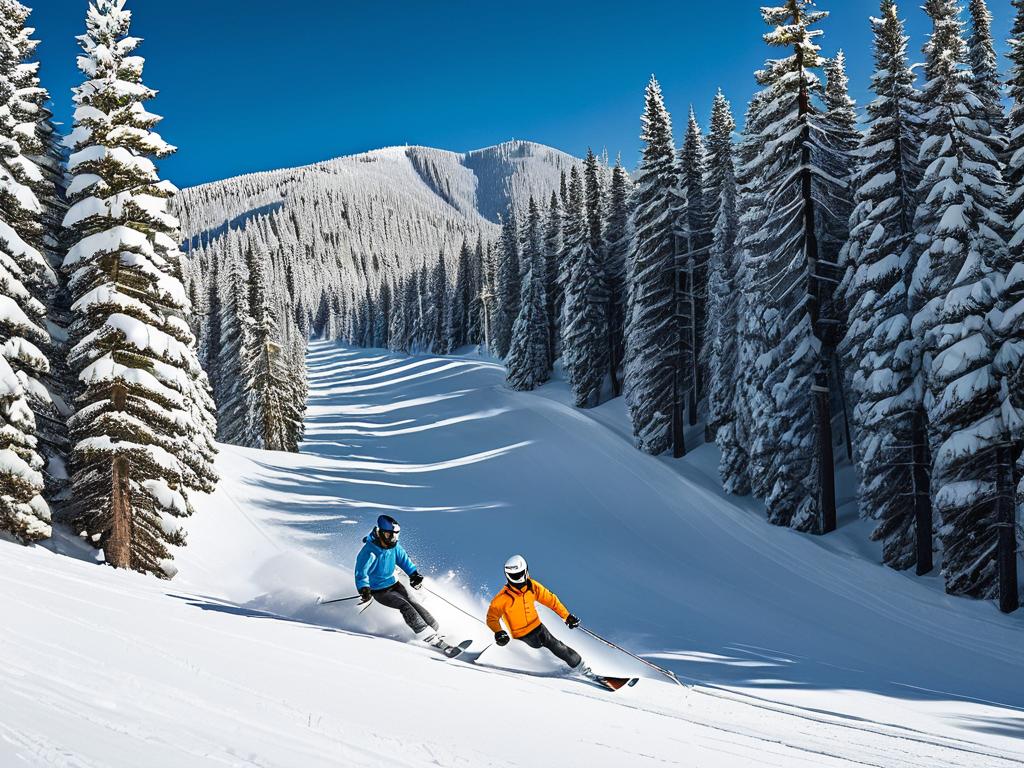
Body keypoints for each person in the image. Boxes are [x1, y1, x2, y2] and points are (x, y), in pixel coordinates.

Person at [354, 514, 452, 652]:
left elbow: (404, 560)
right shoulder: (369, 552)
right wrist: (364, 589)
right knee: (404, 605)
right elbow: (360, 573)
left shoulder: (394, 547)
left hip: (395, 584)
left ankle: (433, 628)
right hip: (379, 591)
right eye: (389, 535)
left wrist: (413, 574)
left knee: (413, 601)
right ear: (380, 533)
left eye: (395, 535)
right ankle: (427, 636)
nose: (392, 539)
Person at [486, 554, 591, 677]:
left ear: (525, 571)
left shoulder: (533, 587)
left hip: (539, 628)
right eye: (514, 576)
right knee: (539, 654)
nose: (518, 579)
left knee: (559, 646)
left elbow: (551, 600)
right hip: (521, 636)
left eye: (519, 574)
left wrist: (566, 616)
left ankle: (585, 671)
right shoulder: (503, 598)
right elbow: (491, 618)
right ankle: (501, 658)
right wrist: (499, 632)